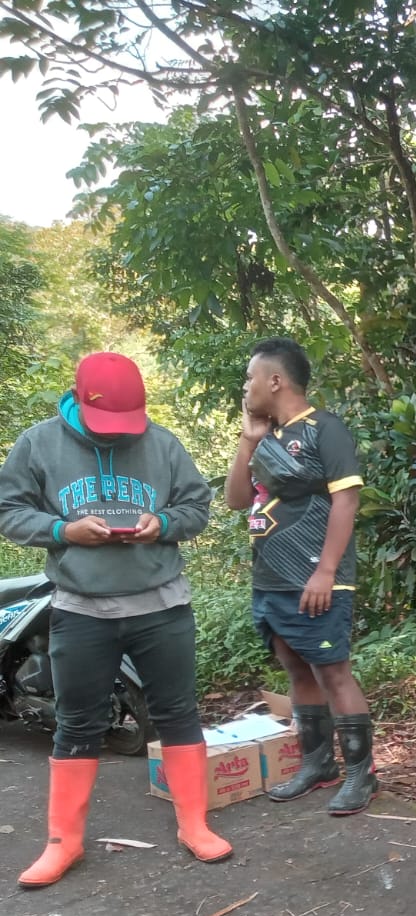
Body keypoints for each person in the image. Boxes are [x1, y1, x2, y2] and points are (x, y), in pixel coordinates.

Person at [0, 352, 231, 886]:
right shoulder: (38, 444)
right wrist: (63, 531)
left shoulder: (163, 444)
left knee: (177, 712)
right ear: (78, 400)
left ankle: (194, 824)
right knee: (77, 721)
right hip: (81, 608)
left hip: (162, 606)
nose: (117, 432)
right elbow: (10, 511)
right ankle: (63, 843)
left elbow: (197, 507)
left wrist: (163, 523)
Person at [224, 337, 376, 817]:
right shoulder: (266, 438)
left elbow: (346, 501)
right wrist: (248, 440)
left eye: (250, 377)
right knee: (295, 668)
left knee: (333, 671)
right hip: (271, 577)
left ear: (275, 380)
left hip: (316, 577)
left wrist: (326, 571)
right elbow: (235, 499)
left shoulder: (324, 429)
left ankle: (362, 775)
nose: (246, 386)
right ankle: (318, 764)